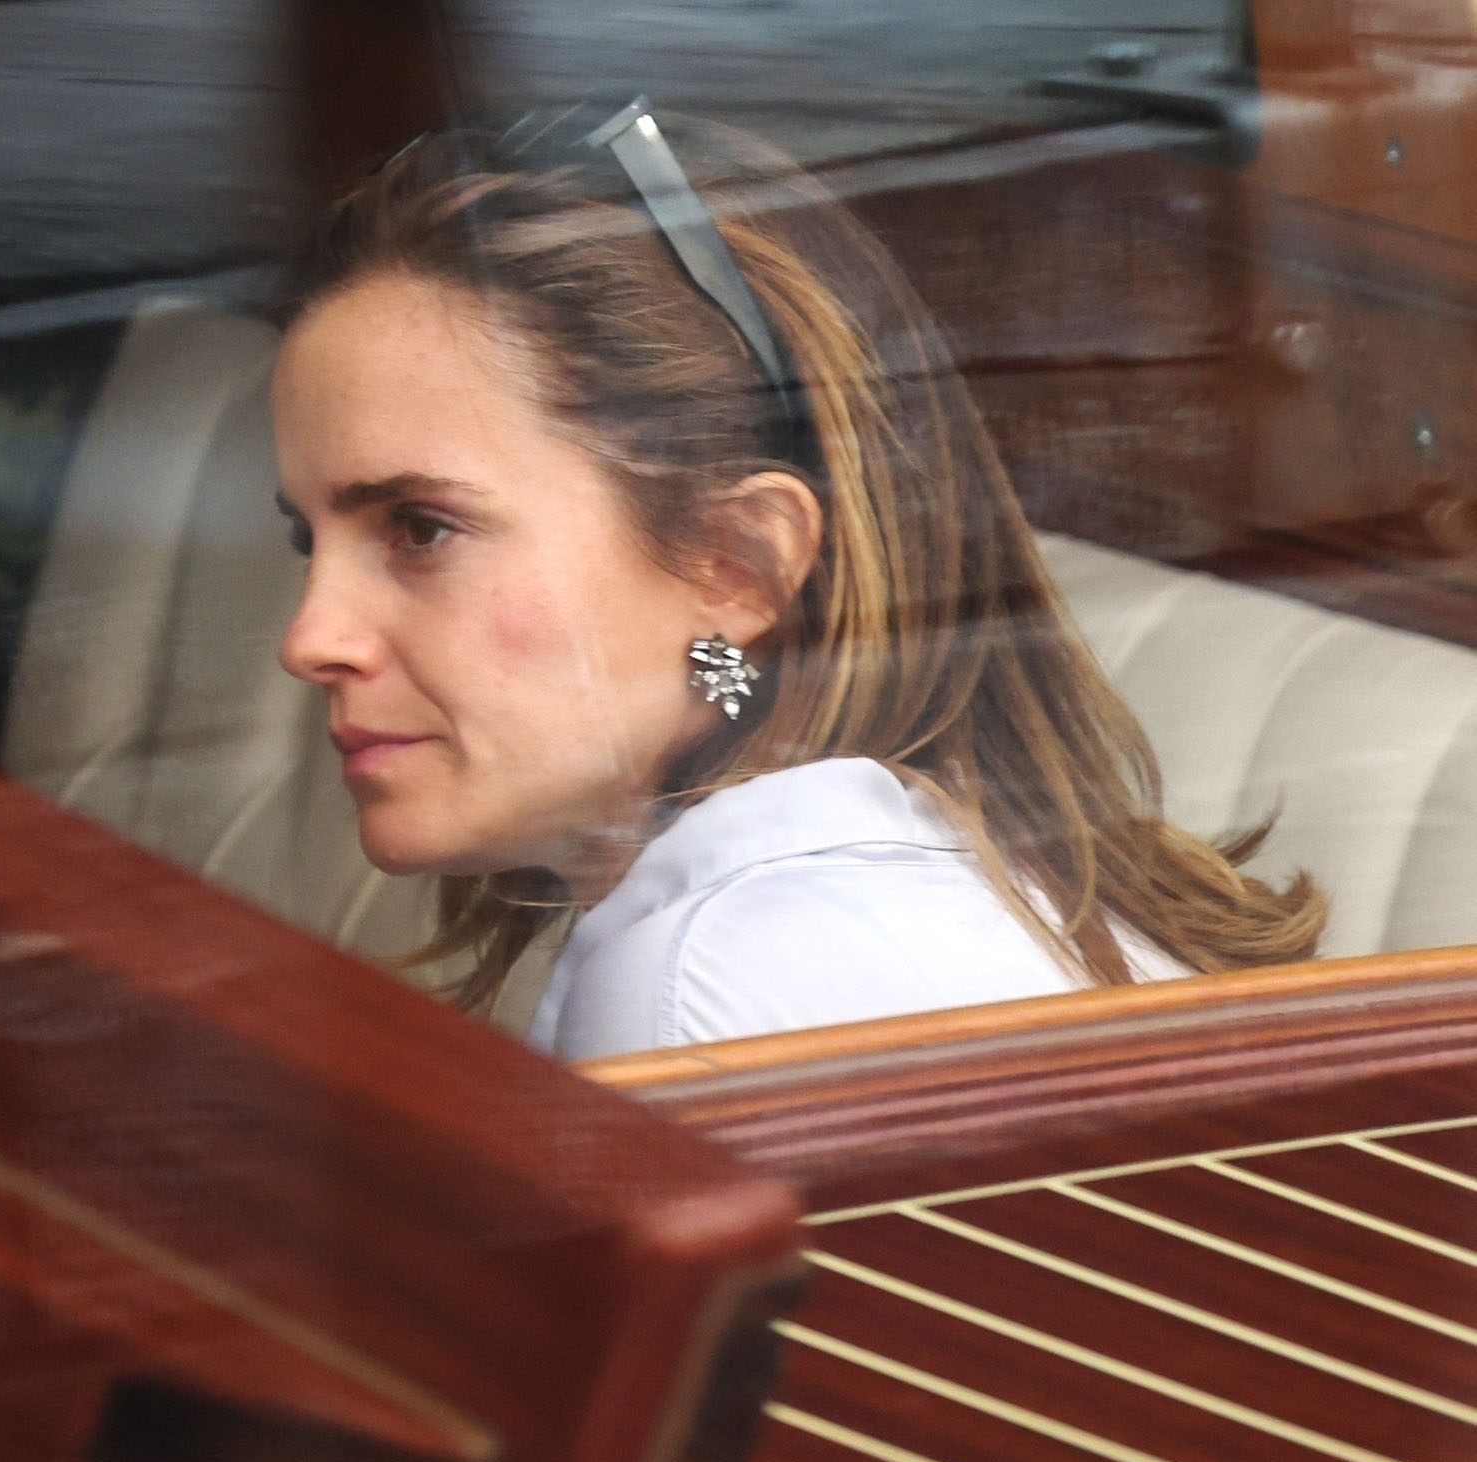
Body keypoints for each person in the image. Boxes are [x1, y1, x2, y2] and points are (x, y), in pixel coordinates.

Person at [269, 99, 1324, 1059]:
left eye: (421, 529)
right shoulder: (890, 896)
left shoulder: (709, 980)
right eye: (307, 540)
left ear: (738, 566)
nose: (311, 639)